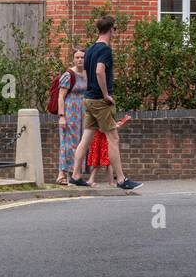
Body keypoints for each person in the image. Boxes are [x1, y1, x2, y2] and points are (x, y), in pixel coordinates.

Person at [69, 16, 142, 190]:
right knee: (113, 138)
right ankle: (121, 180)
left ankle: (76, 175)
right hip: (100, 101)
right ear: (111, 30)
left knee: (86, 137)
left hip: (89, 99)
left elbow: (88, 72)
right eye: (115, 30)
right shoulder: (105, 50)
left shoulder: (90, 49)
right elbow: (99, 71)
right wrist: (106, 94)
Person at [56, 49, 87, 185]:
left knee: (81, 142)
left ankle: (76, 174)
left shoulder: (88, 74)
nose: (80, 60)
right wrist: (61, 116)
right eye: (77, 57)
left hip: (84, 112)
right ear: (73, 59)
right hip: (70, 111)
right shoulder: (68, 74)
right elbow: (60, 97)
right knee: (68, 143)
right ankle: (62, 174)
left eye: (82, 57)